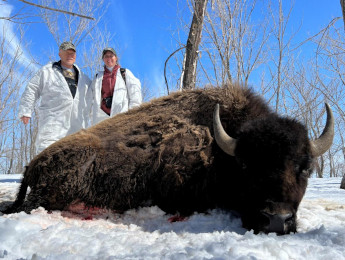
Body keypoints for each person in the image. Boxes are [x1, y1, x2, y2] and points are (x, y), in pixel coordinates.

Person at [18, 42, 91, 154]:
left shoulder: (84, 78)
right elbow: (32, 89)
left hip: (77, 128)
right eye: (66, 52)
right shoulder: (47, 71)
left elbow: (97, 96)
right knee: (48, 158)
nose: (70, 55)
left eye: (72, 53)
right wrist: (25, 110)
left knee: (75, 162)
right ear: (60, 54)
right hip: (53, 126)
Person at [88, 47, 142, 125]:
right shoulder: (97, 77)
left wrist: (132, 115)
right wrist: (92, 117)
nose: (109, 58)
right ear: (103, 59)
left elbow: (135, 95)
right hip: (101, 119)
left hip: (121, 116)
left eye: (111, 56)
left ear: (116, 58)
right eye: (106, 56)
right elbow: (91, 99)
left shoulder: (125, 73)